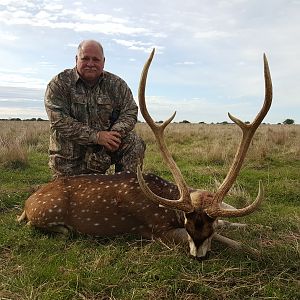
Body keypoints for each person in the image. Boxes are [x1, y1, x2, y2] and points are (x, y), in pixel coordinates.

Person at [44, 40, 145, 177]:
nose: (90, 64)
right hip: (69, 162)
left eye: (96, 59)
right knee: (66, 197)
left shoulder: (117, 85)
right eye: (85, 58)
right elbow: (58, 120)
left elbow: (130, 111)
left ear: (103, 62)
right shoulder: (59, 84)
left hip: (103, 154)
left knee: (134, 142)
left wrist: (114, 134)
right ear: (76, 59)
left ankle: (126, 189)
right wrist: (96, 137)